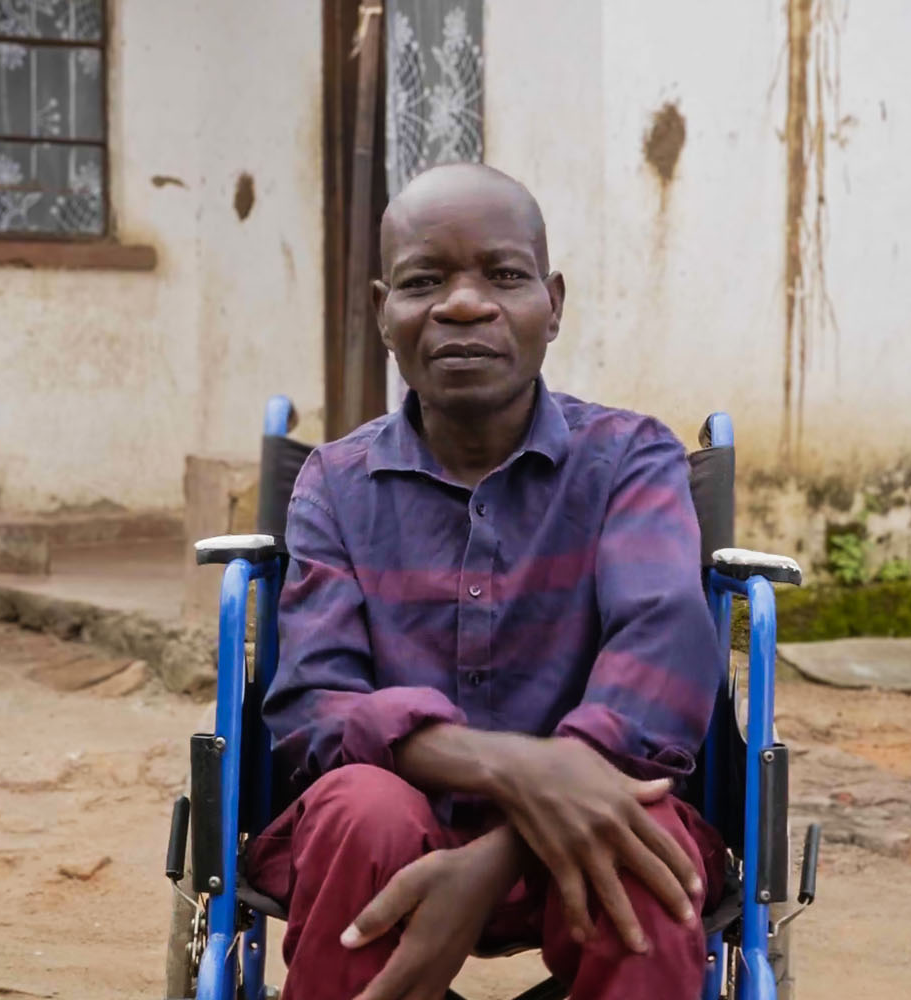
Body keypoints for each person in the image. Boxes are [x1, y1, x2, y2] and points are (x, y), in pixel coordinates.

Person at [248, 163, 726, 1000]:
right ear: (381, 312)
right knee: (363, 806)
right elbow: (315, 704)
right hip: (385, 840)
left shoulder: (630, 460)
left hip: (591, 825)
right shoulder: (333, 483)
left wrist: (520, 826)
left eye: (504, 275)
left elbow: (663, 647)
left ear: (555, 303)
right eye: (424, 281)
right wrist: (515, 769)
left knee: (639, 829)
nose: (463, 304)